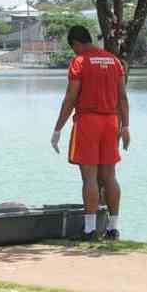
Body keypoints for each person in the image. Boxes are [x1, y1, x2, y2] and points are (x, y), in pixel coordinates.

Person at [50, 25, 130, 241]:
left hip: (88, 122)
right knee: (110, 176)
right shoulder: (114, 61)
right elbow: (122, 97)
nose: (75, 52)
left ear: (76, 43)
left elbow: (71, 97)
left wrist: (58, 128)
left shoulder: (79, 62)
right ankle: (113, 228)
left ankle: (89, 229)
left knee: (89, 178)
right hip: (112, 122)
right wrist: (125, 126)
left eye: (74, 48)